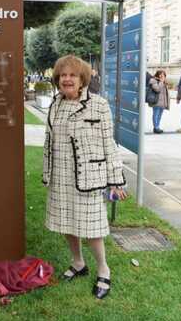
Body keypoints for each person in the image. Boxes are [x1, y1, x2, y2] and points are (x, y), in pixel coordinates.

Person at [42, 55, 126, 300]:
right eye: (63, 75)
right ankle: (78, 263)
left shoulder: (98, 105)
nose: (67, 79)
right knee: (66, 222)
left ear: (82, 80)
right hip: (61, 174)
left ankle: (103, 269)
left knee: (91, 227)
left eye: (73, 75)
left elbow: (108, 143)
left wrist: (116, 179)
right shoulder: (55, 104)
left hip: (88, 176)